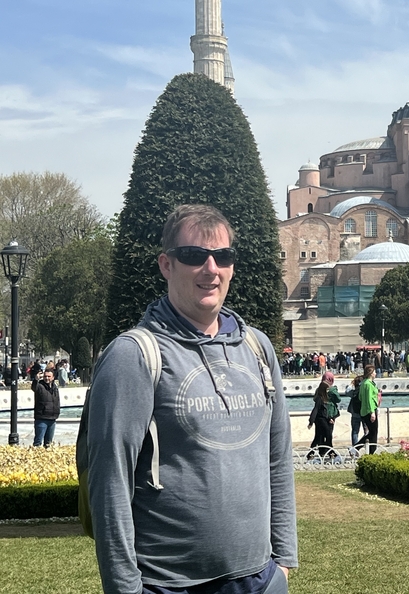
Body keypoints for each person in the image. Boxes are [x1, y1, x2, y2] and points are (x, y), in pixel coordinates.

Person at [85, 204, 297, 594]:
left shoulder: (257, 347)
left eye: (223, 256)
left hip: (260, 578)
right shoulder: (133, 356)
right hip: (169, 584)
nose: (211, 269)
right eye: (194, 256)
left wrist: (283, 562)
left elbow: (278, 458)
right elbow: (109, 483)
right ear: (167, 265)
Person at [307, 375, 340, 459]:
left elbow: (325, 411)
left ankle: (314, 453)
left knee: (319, 437)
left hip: (325, 419)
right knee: (327, 435)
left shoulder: (324, 398)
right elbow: (315, 410)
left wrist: (331, 418)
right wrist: (311, 422)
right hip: (320, 420)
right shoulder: (319, 399)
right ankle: (331, 453)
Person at [31, 367, 60, 448]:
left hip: (52, 419)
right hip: (41, 419)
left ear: (53, 377)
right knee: (38, 442)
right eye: (45, 376)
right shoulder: (39, 386)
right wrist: (36, 379)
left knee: (48, 443)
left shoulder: (55, 387)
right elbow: (34, 387)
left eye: (49, 376)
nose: (46, 378)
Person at [354, 364, 380, 453]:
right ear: (370, 373)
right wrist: (372, 412)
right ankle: (359, 448)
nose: (376, 374)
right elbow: (369, 399)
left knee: (372, 432)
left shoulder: (363, 383)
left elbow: (361, 397)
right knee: (373, 432)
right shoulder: (368, 384)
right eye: (374, 372)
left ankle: (365, 449)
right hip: (370, 411)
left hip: (364, 411)